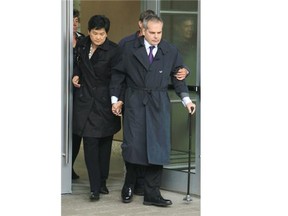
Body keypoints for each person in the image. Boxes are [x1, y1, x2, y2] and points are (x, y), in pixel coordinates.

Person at [110, 14, 196, 207]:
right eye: (152, 32)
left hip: (158, 103)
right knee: (133, 146)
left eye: (160, 32)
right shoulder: (129, 49)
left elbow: (179, 76)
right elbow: (117, 75)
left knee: (158, 147)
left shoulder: (170, 50)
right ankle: (129, 184)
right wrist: (116, 100)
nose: (157, 36)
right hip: (135, 101)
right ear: (143, 30)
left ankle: (152, 193)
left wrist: (186, 100)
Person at [72, 15, 122, 201]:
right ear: (89, 31)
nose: (98, 37)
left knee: (105, 146)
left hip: (105, 102)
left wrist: (117, 100)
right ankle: (94, 187)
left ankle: (102, 182)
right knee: (90, 144)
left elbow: (118, 78)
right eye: (95, 33)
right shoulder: (83, 44)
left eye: (102, 34)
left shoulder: (114, 51)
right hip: (85, 101)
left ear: (106, 33)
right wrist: (76, 75)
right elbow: (77, 64)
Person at [72, 9, 85, 180]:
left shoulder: (83, 39)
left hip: (79, 89)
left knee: (76, 130)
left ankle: (70, 165)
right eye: (71, 20)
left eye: (76, 20)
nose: (74, 23)